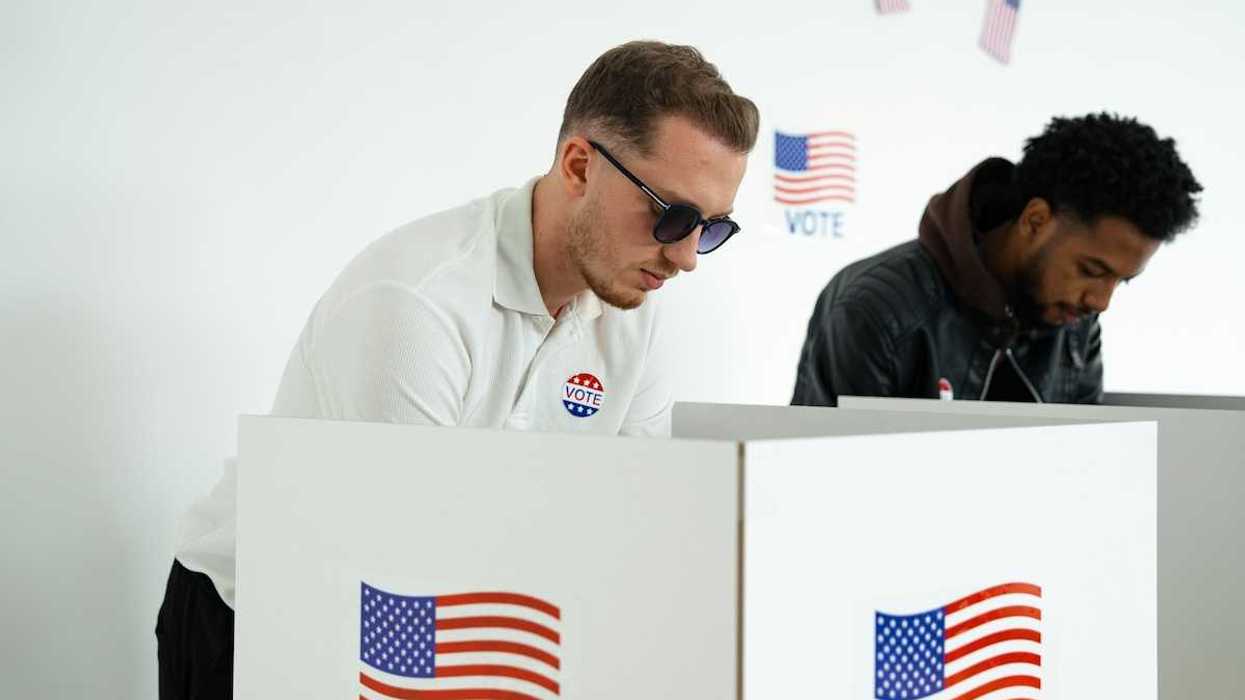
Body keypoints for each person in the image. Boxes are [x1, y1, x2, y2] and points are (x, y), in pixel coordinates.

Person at [156, 40, 759, 698]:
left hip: (448, 605)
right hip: (258, 616)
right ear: (580, 167)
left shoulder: (634, 308)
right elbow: (400, 566)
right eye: (671, 216)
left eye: (710, 228)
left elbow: (623, 528)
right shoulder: (416, 301)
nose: (687, 259)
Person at [791, 112, 1201, 406]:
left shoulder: (1075, 323)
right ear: (1035, 220)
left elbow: (1082, 473)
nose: (1101, 302)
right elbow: (829, 485)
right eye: (1092, 271)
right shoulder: (879, 308)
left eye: (1122, 281)